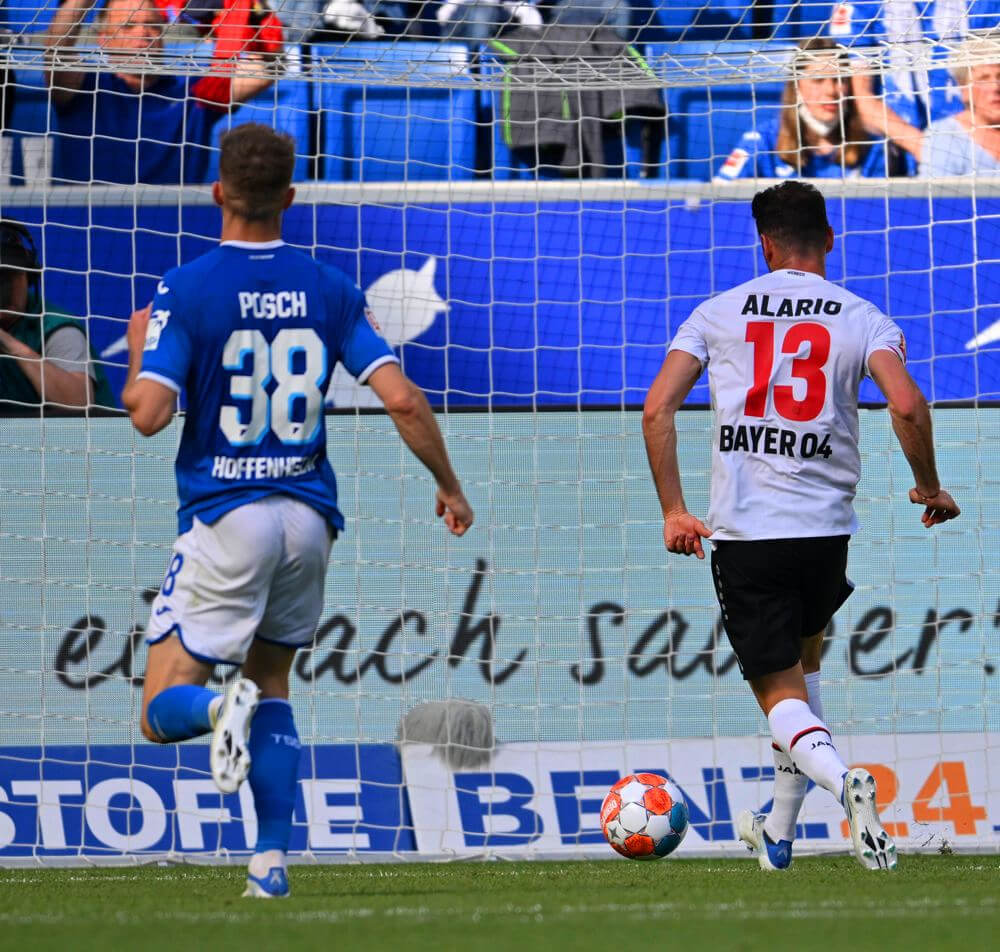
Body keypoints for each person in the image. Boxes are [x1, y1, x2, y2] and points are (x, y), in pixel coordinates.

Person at [121, 123, 473, 897]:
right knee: (273, 683)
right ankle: (271, 863)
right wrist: (448, 485)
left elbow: (147, 415)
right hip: (308, 521)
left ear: (218, 191)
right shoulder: (330, 287)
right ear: (290, 196)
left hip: (228, 514)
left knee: (158, 713)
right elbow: (403, 399)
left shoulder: (188, 286)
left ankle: (219, 708)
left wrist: (141, 347)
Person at [641, 180, 959, 872]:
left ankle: (845, 782)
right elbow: (905, 402)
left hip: (749, 536)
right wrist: (929, 486)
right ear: (830, 242)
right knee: (805, 673)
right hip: (825, 535)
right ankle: (777, 835)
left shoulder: (717, 313)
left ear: (764, 244)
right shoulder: (861, 316)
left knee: (780, 697)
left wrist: (673, 507)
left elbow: (657, 409)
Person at [45, 0, 283, 184]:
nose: (143, 35)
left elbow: (266, 70)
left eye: (152, 25)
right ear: (104, 39)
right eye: (128, 26)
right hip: (87, 224)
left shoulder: (193, 93)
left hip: (177, 224)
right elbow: (55, 50)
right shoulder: (83, 89)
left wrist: (246, 10)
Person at [716, 37, 905, 181]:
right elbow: (719, 202)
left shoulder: (873, 147)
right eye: (818, 80)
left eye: (840, 80)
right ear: (796, 86)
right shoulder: (761, 141)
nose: (831, 90)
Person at [0, 219, 113, 407]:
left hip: (78, 436)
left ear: (30, 276)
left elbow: (79, 402)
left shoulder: (55, 327)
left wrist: (11, 346)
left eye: (10, 276)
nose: (5, 289)